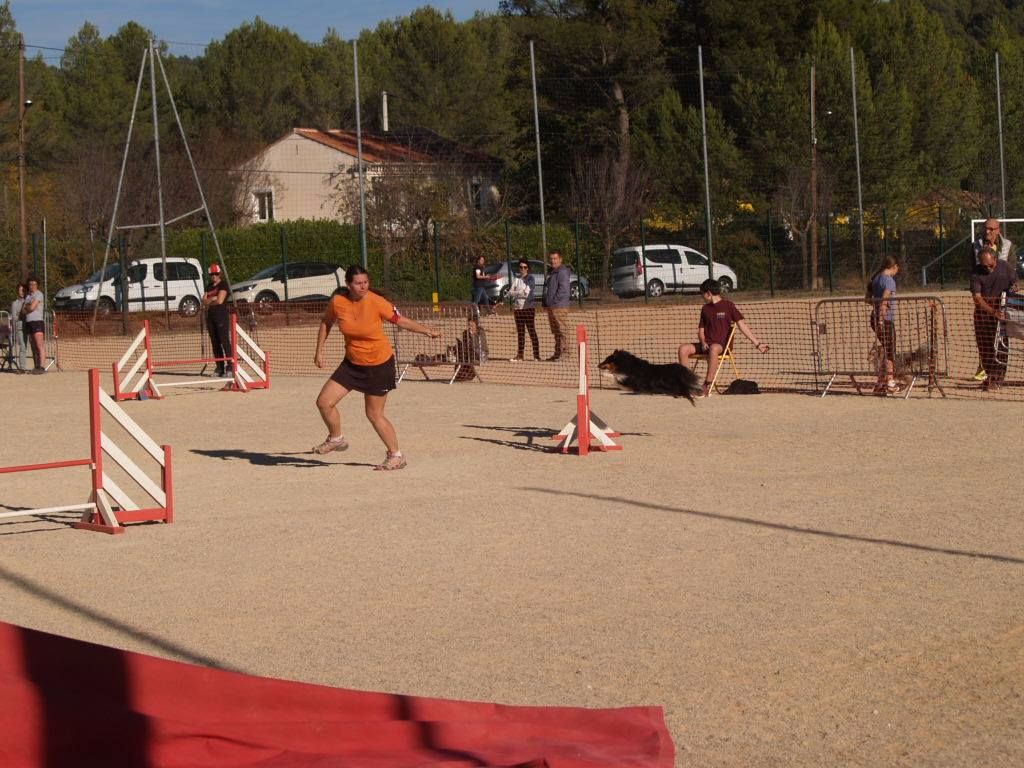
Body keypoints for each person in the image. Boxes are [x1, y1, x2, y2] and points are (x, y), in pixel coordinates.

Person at [312, 265, 441, 470]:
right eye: (358, 283)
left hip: (378, 365)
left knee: (373, 414)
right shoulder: (338, 302)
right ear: (348, 284)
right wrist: (319, 351)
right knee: (324, 402)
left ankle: (396, 455)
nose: (363, 287)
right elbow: (326, 322)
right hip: (352, 363)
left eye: (366, 282)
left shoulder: (377, 302)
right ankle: (336, 438)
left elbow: (401, 321)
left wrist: (426, 330)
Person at [677, 278, 769, 398]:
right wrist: (703, 341)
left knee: (714, 348)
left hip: (721, 346)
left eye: (703, 294)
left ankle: (706, 385)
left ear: (708, 293)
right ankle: (688, 385)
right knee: (683, 349)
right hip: (706, 344)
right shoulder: (705, 309)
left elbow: (742, 326)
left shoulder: (728, 305)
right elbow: (701, 330)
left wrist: (758, 344)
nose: (702, 297)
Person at [971, 218, 1018, 380]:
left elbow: (1013, 276)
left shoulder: (1007, 247)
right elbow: (974, 271)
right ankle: (988, 371)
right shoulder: (976, 245)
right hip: (985, 302)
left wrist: (1012, 288)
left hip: (1003, 301)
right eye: (986, 228)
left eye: (991, 229)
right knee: (984, 343)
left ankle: (997, 376)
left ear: (998, 229)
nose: (987, 232)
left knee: (1001, 341)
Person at [866, 256, 901, 395]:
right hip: (884, 320)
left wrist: (877, 306)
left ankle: (880, 383)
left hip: (874, 318)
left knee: (887, 349)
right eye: (897, 268)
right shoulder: (889, 280)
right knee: (890, 351)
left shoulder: (875, 279)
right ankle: (890, 383)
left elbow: (867, 299)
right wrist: (881, 318)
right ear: (894, 267)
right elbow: (885, 301)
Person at [202, 263, 233, 377]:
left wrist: (210, 300)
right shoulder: (209, 286)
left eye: (215, 274)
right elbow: (204, 301)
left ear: (220, 274)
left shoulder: (223, 285)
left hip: (221, 316)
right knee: (215, 343)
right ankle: (219, 367)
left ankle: (230, 366)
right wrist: (212, 299)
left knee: (224, 341)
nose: (213, 276)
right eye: (211, 274)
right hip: (210, 317)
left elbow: (220, 301)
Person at [508, 259, 540, 361]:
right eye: (521, 267)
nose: (522, 269)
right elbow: (510, 293)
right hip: (518, 309)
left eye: (525, 267)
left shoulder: (530, 279)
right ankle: (520, 355)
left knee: (532, 331)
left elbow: (526, 293)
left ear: (528, 268)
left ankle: (536, 355)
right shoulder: (516, 279)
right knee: (520, 332)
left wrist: (516, 292)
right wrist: (518, 292)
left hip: (528, 309)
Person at [542, 251, 571, 361]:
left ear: (560, 259)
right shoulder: (551, 272)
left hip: (559, 306)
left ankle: (566, 353)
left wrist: (553, 302)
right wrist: (545, 302)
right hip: (551, 306)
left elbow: (563, 290)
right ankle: (557, 353)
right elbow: (548, 289)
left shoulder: (562, 272)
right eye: (551, 259)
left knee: (562, 329)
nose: (553, 261)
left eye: (555, 258)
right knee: (555, 331)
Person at [450, 314, 489, 382]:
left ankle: (453, 355)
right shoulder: (465, 332)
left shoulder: (480, 332)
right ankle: (452, 355)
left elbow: (479, 346)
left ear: (476, 324)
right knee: (461, 350)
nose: (470, 327)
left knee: (463, 350)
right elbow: (465, 344)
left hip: (480, 353)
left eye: (472, 325)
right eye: (469, 325)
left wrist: (472, 336)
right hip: (468, 353)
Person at [21, 276, 46, 374]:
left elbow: (31, 308)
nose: (32, 286)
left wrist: (28, 307)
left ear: (37, 285)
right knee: (33, 345)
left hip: (37, 322)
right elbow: (23, 310)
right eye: (30, 284)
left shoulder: (39, 294)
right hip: (29, 322)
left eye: (34, 284)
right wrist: (28, 307)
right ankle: (36, 366)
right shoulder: (28, 296)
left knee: (39, 345)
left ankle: (42, 367)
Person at [9, 282, 26, 373]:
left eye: (23, 290)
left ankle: (38, 366)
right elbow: (14, 317)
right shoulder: (15, 303)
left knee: (35, 346)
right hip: (20, 327)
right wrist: (20, 316)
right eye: (20, 290)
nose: (22, 292)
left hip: (30, 326)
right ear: (17, 291)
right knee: (22, 347)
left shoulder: (29, 300)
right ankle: (22, 367)